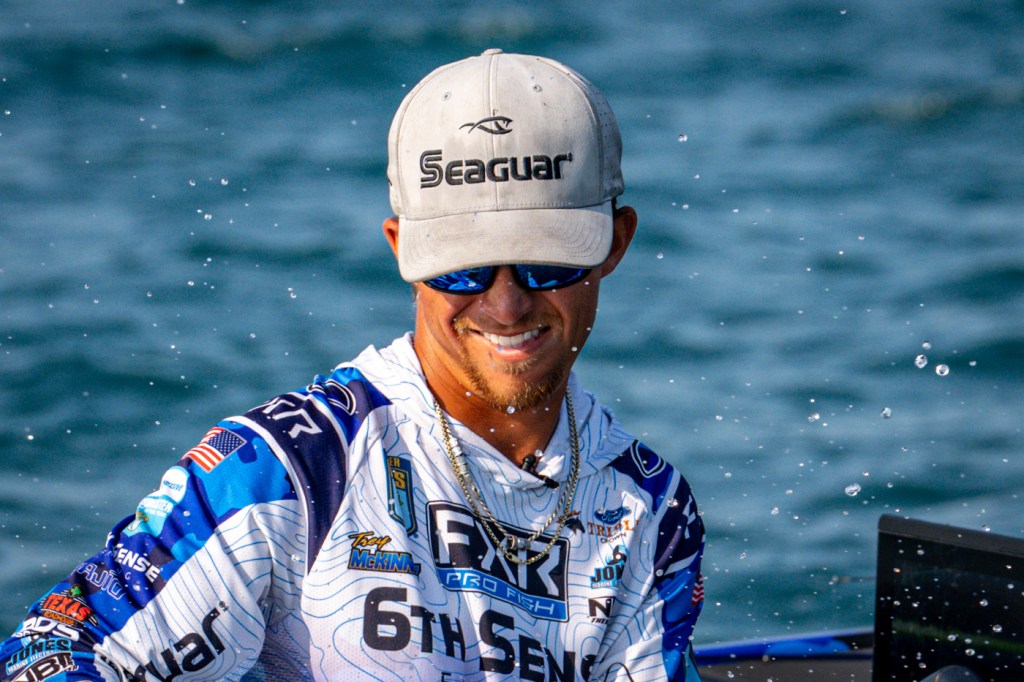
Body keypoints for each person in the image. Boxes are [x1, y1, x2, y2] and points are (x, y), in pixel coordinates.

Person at [0, 49, 704, 681]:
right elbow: (48, 652)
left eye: (545, 259)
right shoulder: (288, 471)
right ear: (402, 251)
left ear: (615, 242)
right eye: (463, 269)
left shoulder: (652, 509)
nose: (506, 303)